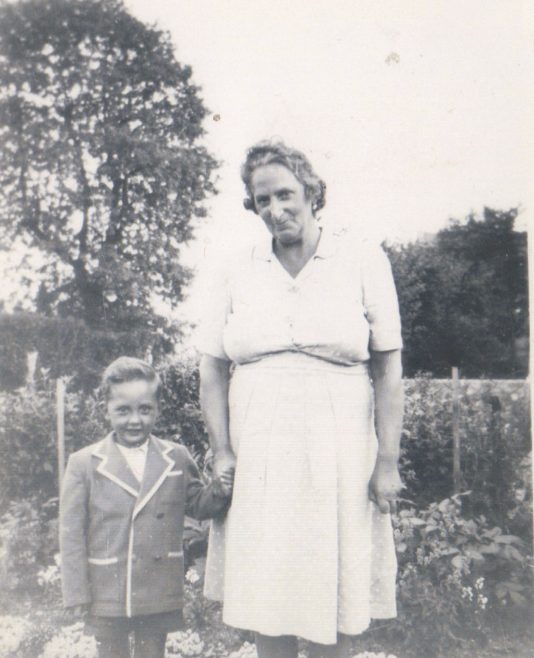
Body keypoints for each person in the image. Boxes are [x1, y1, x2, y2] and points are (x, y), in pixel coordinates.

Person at [197, 141, 404, 658]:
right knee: (269, 588)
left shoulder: (360, 257)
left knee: (330, 590)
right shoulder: (235, 267)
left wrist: (387, 461)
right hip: (261, 447)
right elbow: (212, 368)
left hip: (338, 449)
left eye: (285, 194)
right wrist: (222, 451)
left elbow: (388, 366)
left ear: (311, 191)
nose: (275, 210)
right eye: (261, 200)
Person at [60, 356, 234, 658]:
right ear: (107, 411)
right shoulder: (84, 463)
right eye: (123, 411)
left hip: (157, 587)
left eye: (145, 410)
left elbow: (199, 506)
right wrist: (76, 592)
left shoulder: (176, 458)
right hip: (108, 589)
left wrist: (221, 488)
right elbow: (71, 534)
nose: (134, 420)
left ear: (158, 410)